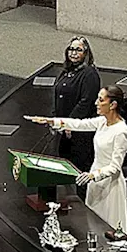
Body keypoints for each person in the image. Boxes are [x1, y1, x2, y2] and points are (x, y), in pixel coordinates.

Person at [26, 84, 127, 235]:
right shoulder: (102, 121)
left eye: (100, 100)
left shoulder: (121, 132)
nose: (96, 103)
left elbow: (115, 167)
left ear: (113, 105)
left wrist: (93, 175)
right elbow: (79, 124)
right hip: (94, 181)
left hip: (109, 186)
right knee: (92, 224)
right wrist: (50, 121)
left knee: (108, 228)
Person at [52, 36, 100, 173]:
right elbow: (57, 94)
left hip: (80, 131)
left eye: (78, 50)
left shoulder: (90, 74)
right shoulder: (66, 72)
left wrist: (70, 123)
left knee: (80, 167)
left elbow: (86, 101)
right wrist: (55, 119)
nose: (73, 53)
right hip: (64, 127)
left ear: (85, 53)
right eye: (71, 49)